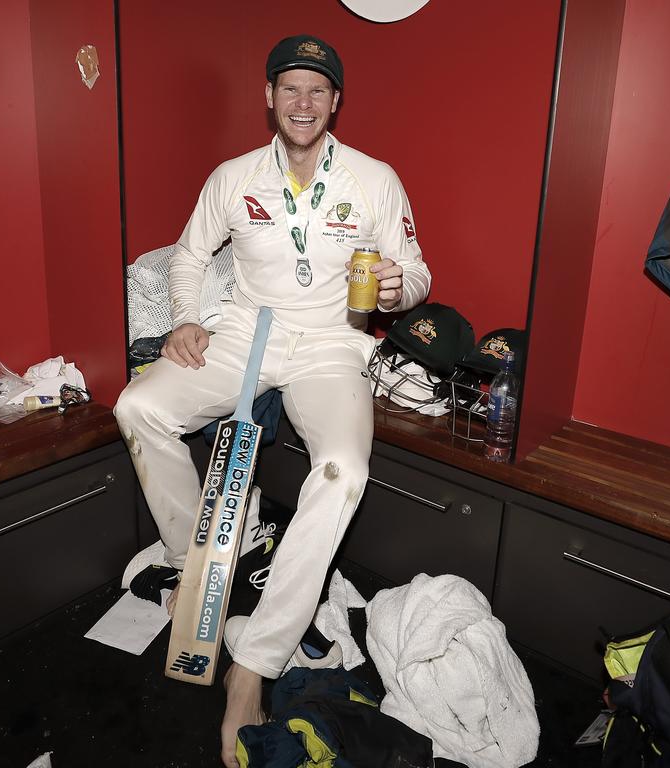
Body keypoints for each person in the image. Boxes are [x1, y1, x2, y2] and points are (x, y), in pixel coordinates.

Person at [114, 34, 431, 768]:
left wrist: (395, 285)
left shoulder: (375, 179)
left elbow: (416, 272)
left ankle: (252, 663)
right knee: (138, 408)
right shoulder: (232, 177)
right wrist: (185, 318)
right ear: (268, 96)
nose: (303, 103)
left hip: (331, 341)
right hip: (245, 333)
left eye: (318, 91)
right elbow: (191, 254)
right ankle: (193, 563)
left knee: (343, 470)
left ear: (336, 102)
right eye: (290, 88)